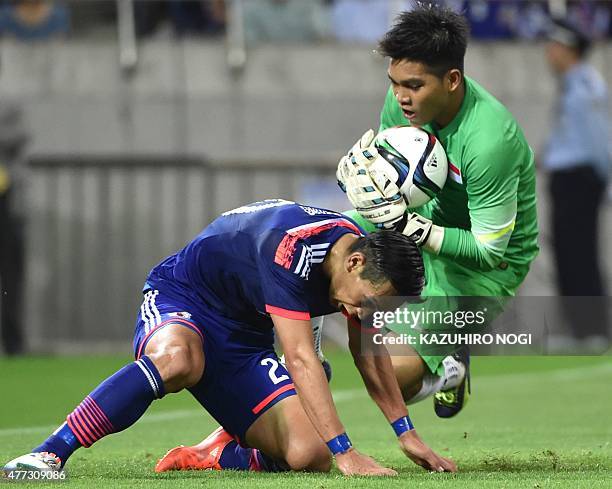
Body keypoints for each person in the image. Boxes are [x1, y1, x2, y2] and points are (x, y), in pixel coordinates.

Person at [3, 199, 456, 476]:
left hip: (242, 335)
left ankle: (218, 452)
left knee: (308, 452)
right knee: (180, 358)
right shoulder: (292, 251)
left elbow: (369, 354)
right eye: (370, 301)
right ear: (356, 265)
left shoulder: (357, 258)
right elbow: (299, 359)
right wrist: (348, 453)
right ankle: (48, 454)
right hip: (184, 300)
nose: (366, 312)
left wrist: (406, 434)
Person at [336, 3, 539, 417]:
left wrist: (408, 227)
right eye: (393, 83)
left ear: (452, 80)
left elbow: (489, 250)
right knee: (323, 245)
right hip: (417, 227)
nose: (400, 97)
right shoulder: (403, 105)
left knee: (387, 376)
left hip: (481, 267)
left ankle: (448, 366)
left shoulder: (488, 142)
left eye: (412, 85)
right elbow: (392, 189)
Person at [542, 17, 610, 350]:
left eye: (555, 46)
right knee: (568, 254)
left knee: (581, 253)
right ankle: (578, 329)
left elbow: (599, 142)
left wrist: (606, 183)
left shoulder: (585, 88)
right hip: (568, 180)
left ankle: (592, 329)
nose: (549, 53)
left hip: (581, 180)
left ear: (569, 50)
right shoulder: (572, 84)